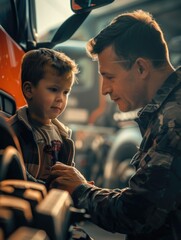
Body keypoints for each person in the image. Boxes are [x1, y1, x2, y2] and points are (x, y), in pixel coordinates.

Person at [47, 10, 181, 240]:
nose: (104, 89)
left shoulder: (173, 119)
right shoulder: (169, 109)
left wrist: (81, 191)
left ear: (141, 68)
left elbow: (138, 212)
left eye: (109, 76)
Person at [8, 48, 79, 184]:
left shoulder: (63, 136)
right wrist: (48, 189)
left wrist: (79, 185)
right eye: (53, 89)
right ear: (29, 90)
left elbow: (68, 173)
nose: (60, 99)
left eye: (65, 92)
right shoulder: (13, 131)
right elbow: (16, 175)